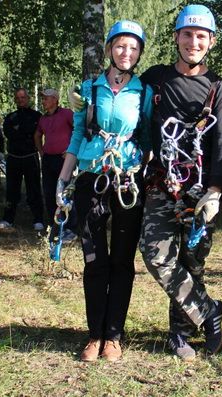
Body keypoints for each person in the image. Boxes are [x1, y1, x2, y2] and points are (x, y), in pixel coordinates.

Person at [138, 4, 222, 361]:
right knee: (156, 254)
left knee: (193, 261)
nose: (194, 42)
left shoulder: (219, 88)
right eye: (188, 34)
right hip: (161, 184)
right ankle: (209, 311)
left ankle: (180, 333)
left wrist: (216, 190)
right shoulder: (155, 79)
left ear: (210, 42)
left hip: (201, 190)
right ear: (177, 37)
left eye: (201, 36)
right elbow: (128, 101)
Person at [57, 20, 153, 363]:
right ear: (110, 48)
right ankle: (94, 334)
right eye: (120, 46)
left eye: (133, 48)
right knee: (94, 259)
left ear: (140, 53)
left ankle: (114, 335)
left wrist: (145, 172)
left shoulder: (144, 92)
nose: (126, 53)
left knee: (122, 261)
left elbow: (146, 139)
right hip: (91, 179)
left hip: (126, 179)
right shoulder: (89, 88)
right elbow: (77, 136)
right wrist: (62, 180)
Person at [0, 88, 44, 231]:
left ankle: (38, 219)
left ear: (28, 98)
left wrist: (22, 131)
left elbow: (36, 134)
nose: (21, 100)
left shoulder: (37, 116)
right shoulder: (10, 117)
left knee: (34, 189)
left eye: (23, 97)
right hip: (14, 158)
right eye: (18, 98)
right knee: (11, 190)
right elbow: (10, 134)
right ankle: (7, 219)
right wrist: (26, 132)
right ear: (15, 100)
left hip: (31, 157)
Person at [35, 88, 74, 233]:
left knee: (65, 192)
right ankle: (55, 225)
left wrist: (71, 150)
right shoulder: (43, 118)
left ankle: (69, 226)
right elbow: (37, 135)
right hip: (48, 159)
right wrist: (41, 151)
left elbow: (79, 130)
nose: (43, 101)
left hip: (64, 160)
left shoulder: (67, 114)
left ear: (55, 100)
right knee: (49, 192)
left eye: (46, 98)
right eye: (43, 98)